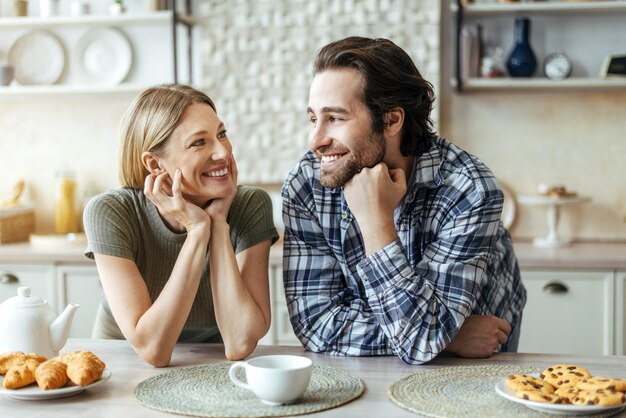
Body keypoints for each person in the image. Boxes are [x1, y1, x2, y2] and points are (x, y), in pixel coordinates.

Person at [281, 37, 526, 365]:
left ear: (392, 120)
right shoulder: (306, 186)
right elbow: (316, 325)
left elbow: (422, 339)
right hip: (378, 370)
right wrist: (451, 336)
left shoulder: (470, 190)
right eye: (313, 119)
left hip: (473, 370)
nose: (316, 140)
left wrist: (374, 223)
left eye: (335, 118)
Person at [83, 84, 279, 367]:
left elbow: (239, 343)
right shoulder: (111, 212)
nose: (223, 153)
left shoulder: (251, 205)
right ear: (154, 163)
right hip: (123, 356)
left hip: (213, 358)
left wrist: (218, 224)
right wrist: (198, 231)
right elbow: (154, 350)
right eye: (199, 142)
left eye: (221, 134)